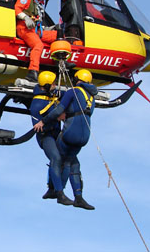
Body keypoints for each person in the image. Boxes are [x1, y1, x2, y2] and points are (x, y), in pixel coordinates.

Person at [34, 69, 97, 210]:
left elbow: (58, 110)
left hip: (71, 133)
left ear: (77, 79)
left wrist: (43, 121)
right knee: (73, 163)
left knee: (59, 159)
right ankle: (79, 198)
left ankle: (56, 191)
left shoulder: (72, 91)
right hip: (84, 136)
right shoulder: (92, 96)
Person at [30, 71, 73, 206]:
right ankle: (60, 194)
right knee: (56, 158)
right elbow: (39, 127)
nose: (55, 86)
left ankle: (51, 188)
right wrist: (57, 114)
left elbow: (64, 95)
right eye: (54, 84)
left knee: (64, 160)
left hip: (56, 133)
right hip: (46, 136)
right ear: (47, 86)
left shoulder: (51, 94)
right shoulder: (37, 104)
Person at [15, 0, 58, 82]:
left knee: (57, 35)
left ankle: (60, 61)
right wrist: (25, 18)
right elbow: (17, 8)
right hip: (24, 28)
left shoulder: (39, 3)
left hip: (35, 30)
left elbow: (37, 19)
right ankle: (33, 71)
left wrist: (45, 28)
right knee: (38, 45)